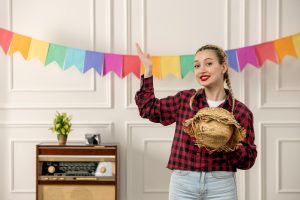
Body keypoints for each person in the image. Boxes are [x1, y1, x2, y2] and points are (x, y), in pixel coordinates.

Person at [135, 43, 257, 200]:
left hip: (221, 185)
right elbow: (148, 109)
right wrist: (148, 70)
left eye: (209, 63)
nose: (202, 70)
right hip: (183, 183)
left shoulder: (240, 111)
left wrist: (229, 144)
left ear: (223, 67)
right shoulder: (185, 100)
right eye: (197, 65)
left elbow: (248, 160)